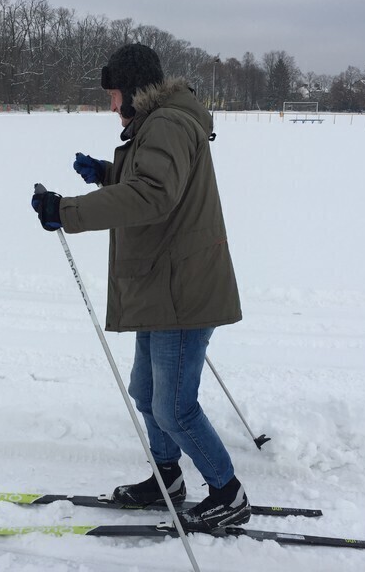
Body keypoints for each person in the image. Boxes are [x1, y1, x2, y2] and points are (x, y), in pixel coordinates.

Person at [31, 44, 248, 531]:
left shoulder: (167, 123)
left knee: (173, 407)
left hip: (182, 288)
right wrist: (108, 174)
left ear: (133, 91)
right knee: (147, 392)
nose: (111, 106)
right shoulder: (160, 122)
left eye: (113, 95)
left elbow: (154, 195)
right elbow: (160, 181)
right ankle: (167, 479)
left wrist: (68, 210)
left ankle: (228, 492)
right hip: (162, 283)